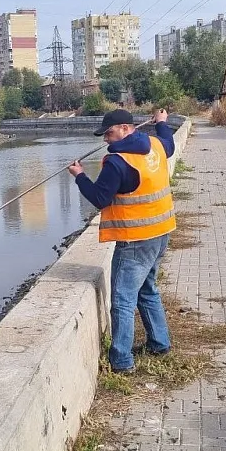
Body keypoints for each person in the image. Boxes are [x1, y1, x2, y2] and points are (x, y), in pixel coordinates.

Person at [68, 108, 176, 373]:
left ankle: (121, 361)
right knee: (147, 289)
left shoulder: (116, 162)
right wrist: (162, 123)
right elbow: (170, 144)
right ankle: (159, 343)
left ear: (126, 128)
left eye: (109, 133)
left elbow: (99, 198)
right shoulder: (154, 144)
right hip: (161, 231)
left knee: (123, 299)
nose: (106, 139)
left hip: (135, 239)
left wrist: (79, 176)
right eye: (104, 135)